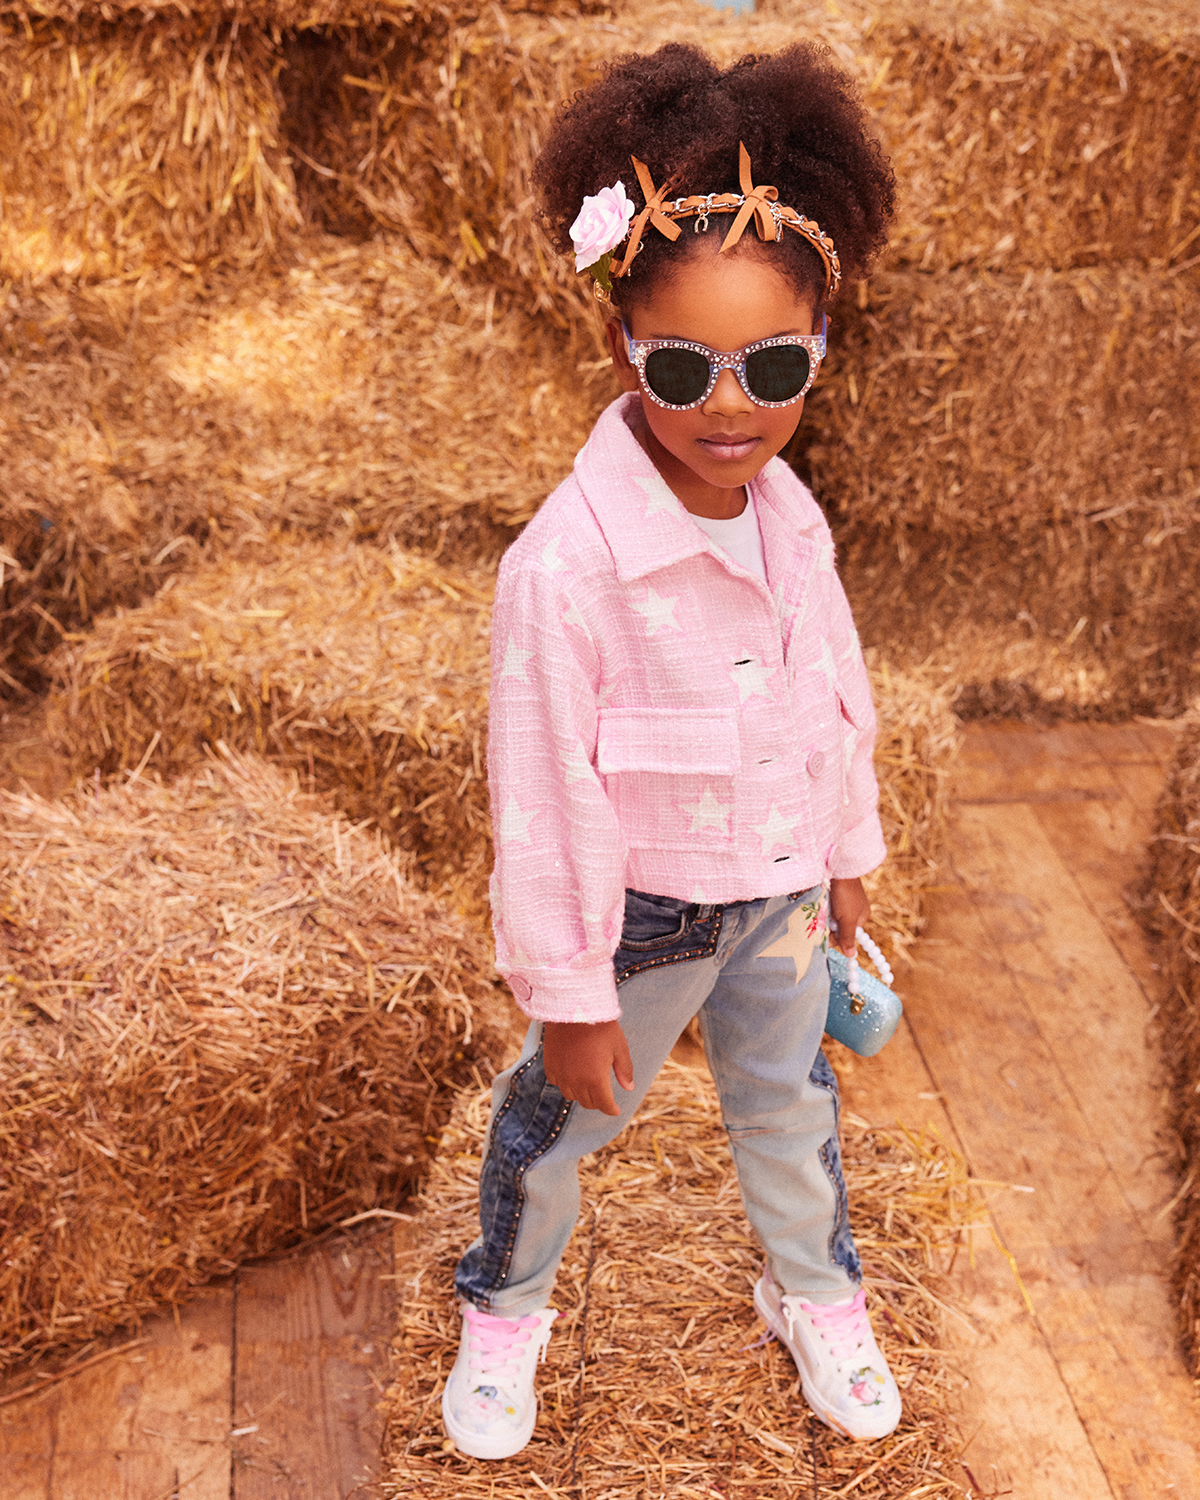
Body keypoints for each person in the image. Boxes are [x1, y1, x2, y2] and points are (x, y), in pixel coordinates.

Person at [441, 41, 899, 1461]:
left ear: (820, 344)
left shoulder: (793, 519)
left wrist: (847, 855)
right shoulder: (565, 570)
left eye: (775, 365)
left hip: (779, 897)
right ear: (621, 347)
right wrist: (572, 995)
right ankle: (504, 1309)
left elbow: (834, 693)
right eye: (685, 367)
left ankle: (814, 1291)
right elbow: (541, 800)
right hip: (639, 919)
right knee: (559, 1124)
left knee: (790, 1106)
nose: (731, 407)